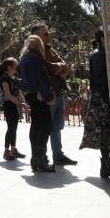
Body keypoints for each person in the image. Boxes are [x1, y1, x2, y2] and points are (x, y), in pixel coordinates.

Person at [34, 23, 76, 166]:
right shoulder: (36, 52)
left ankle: (58, 155)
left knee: (57, 126)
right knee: (45, 127)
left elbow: (64, 66)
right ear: (36, 36)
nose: (48, 36)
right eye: (45, 34)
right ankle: (42, 156)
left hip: (58, 92)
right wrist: (59, 67)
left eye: (48, 33)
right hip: (48, 94)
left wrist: (60, 67)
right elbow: (50, 68)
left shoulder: (50, 49)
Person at [18, 34, 56, 173]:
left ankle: (36, 158)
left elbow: (21, 79)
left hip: (31, 95)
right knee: (45, 126)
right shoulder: (35, 59)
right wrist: (47, 96)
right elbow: (38, 80)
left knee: (36, 125)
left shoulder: (24, 59)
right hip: (38, 96)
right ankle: (39, 159)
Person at [81, 29, 110, 180]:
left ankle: (106, 165)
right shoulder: (99, 54)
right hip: (102, 99)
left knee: (106, 133)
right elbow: (102, 79)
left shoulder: (100, 53)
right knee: (104, 132)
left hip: (103, 98)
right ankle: (106, 165)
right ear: (102, 38)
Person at [0, 57, 26, 161]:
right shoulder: (4, 78)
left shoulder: (14, 78)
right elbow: (8, 95)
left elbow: (19, 92)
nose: (16, 67)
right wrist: (20, 103)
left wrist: (24, 103)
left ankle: (13, 149)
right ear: (9, 67)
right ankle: (6, 151)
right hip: (9, 105)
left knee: (14, 128)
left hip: (15, 105)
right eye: (15, 66)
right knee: (10, 128)